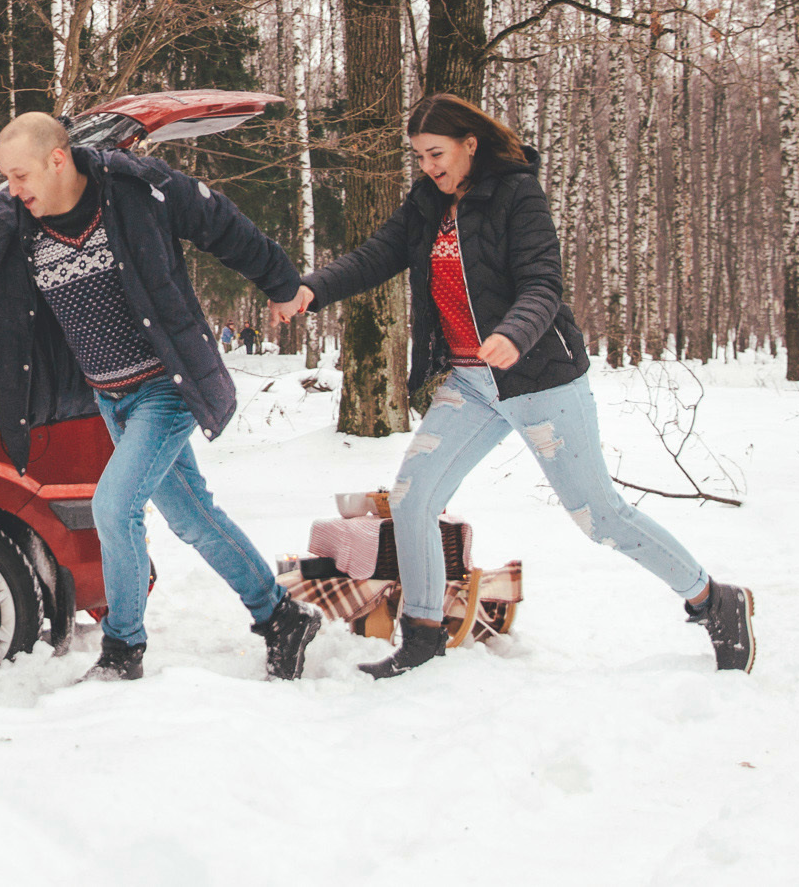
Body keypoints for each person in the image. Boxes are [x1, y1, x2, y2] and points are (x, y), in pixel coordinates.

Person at [271, 94, 755, 678]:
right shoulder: (427, 202)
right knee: (412, 498)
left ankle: (713, 599)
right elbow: (378, 255)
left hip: (538, 378)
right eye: (420, 157)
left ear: (469, 144)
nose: (428, 166)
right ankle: (423, 636)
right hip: (472, 384)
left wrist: (515, 333)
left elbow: (543, 283)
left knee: (597, 514)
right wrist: (312, 289)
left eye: (437, 153)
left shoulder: (516, 193)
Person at [0, 112, 318, 682]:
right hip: (109, 396)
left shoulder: (135, 188)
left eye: (20, 175)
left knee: (113, 506)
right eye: (6, 177)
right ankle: (280, 615)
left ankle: (123, 649)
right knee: (194, 518)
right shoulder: (9, 221)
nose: (13, 189)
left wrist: (280, 283)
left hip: (167, 386)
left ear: (57, 159)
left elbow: (221, 223)